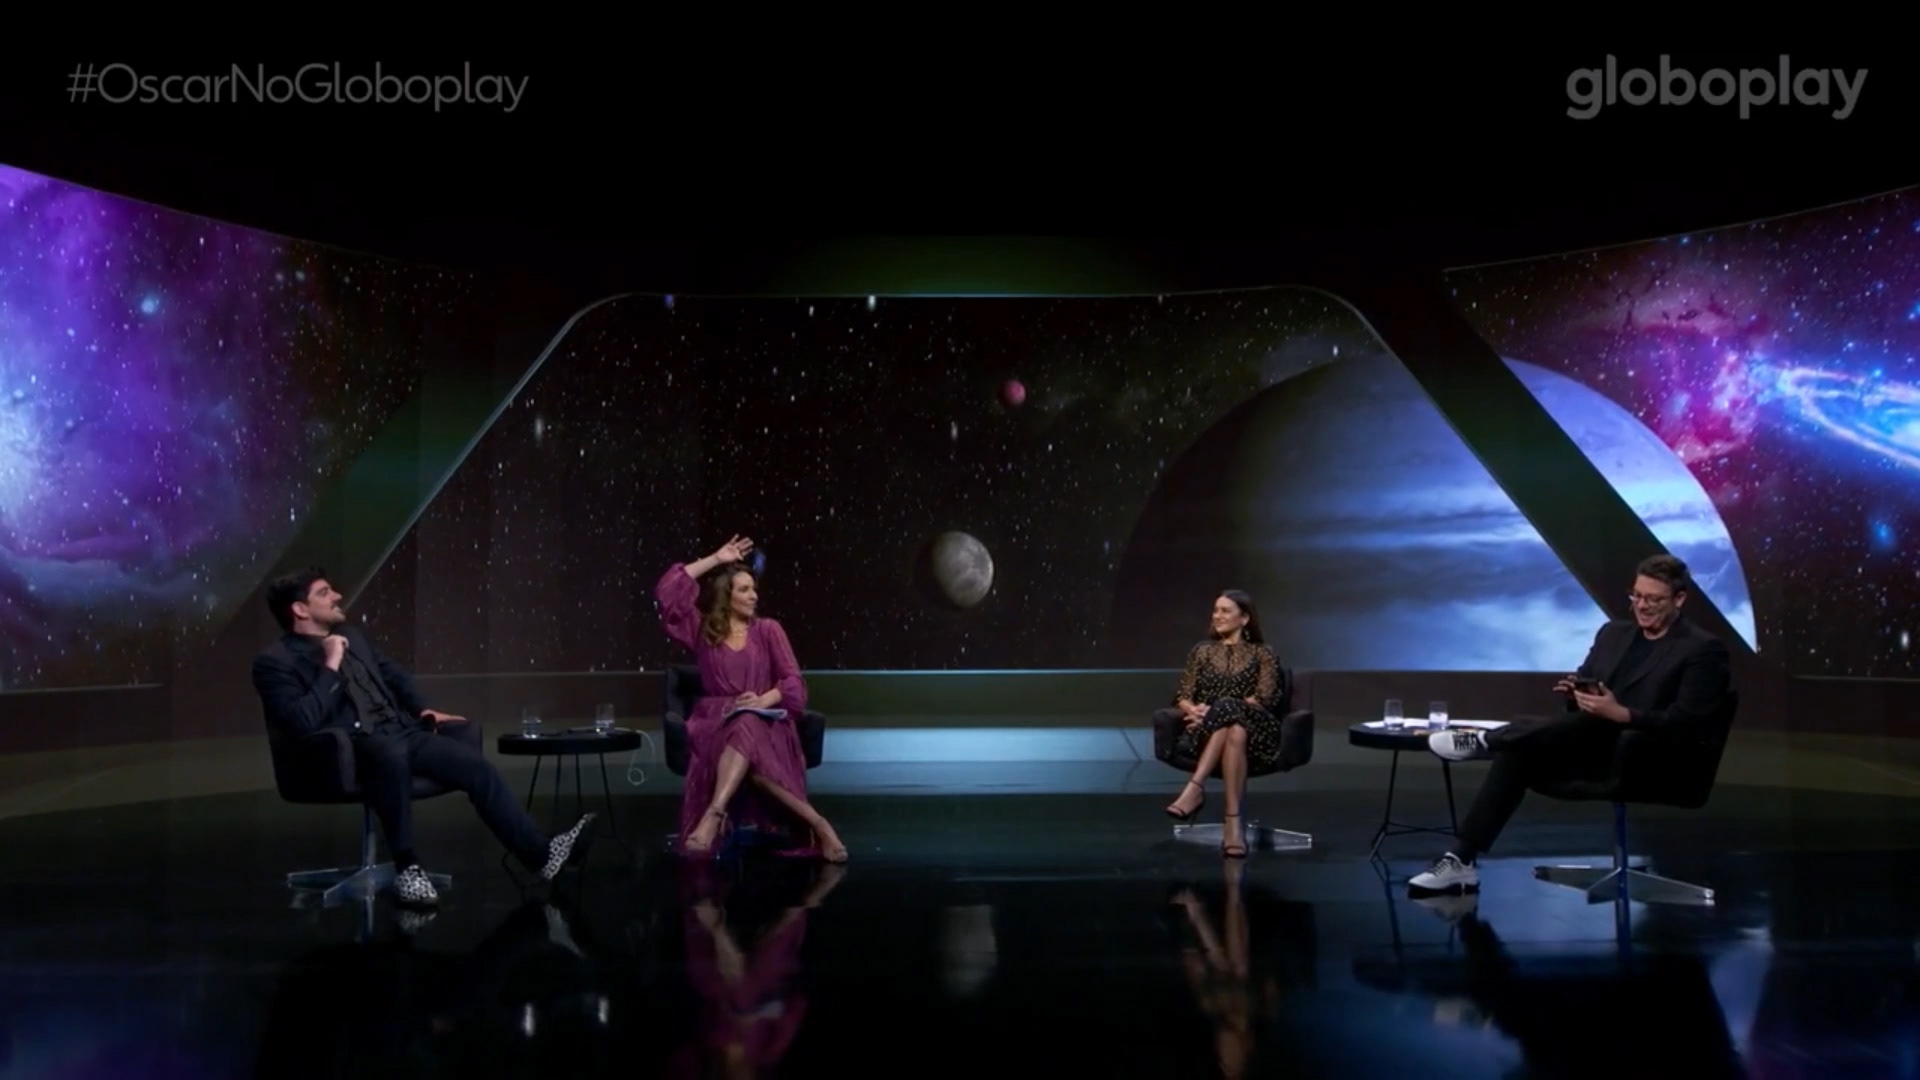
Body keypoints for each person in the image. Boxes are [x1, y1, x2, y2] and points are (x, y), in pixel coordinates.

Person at [251, 568, 596, 906]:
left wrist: (423, 709)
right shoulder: (275, 662)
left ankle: (541, 855)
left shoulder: (353, 636)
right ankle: (407, 868)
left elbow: (394, 676)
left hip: (399, 731)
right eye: (324, 593)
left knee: (475, 767)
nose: (337, 596)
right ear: (300, 609)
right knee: (389, 753)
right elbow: (301, 721)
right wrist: (331, 664)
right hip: (348, 750)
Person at [1408, 553, 1733, 895]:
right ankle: (1460, 860)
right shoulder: (1614, 634)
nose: (1642, 606)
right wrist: (1577, 693)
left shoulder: (1702, 650)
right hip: (1594, 746)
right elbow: (1589, 682)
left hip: (1655, 759)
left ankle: (1488, 740)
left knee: (1570, 729)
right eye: (1636, 596)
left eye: (1653, 599)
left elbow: (1689, 723)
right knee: (1521, 751)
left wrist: (1623, 714)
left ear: (1679, 599)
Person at [656, 535, 848, 862]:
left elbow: (793, 682)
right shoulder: (704, 630)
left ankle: (714, 813)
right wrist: (716, 559)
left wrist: (763, 700)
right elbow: (668, 593)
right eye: (744, 590)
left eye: (754, 589)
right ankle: (819, 824)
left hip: (766, 721)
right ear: (726, 595)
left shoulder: (768, 630)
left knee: (747, 725)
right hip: (714, 724)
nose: (753, 596)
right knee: (746, 738)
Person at [1159, 590, 1287, 858]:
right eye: (1216, 610)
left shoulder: (1263, 653)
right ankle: (1233, 827)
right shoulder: (1202, 651)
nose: (1217, 616)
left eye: (1225, 611)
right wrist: (1194, 710)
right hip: (1208, 732)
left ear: (1244, 618)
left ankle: (1195, 788)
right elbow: (1183, 696)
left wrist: (1215, 710)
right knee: (1233, 730)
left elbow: (1264, 698)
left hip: (1257, 731)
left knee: (1231, 712)